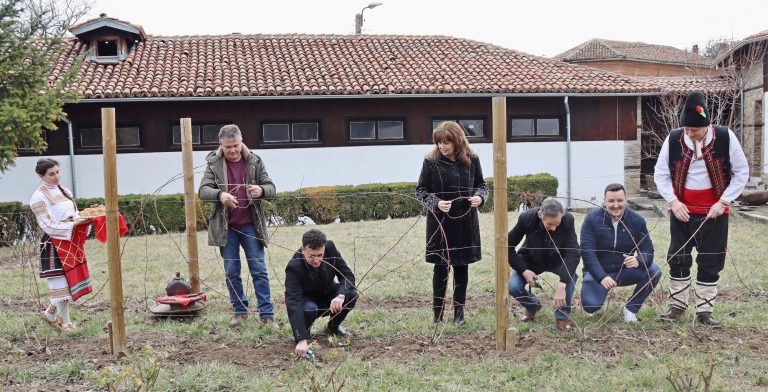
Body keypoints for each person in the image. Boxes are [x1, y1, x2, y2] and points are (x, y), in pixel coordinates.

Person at [654, 92, 748, 328]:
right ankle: (677, 305)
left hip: (714, 212)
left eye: (693, 130)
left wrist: (724, 202)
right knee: (678, 257)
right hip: (682, 211)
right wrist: (674, 202)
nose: (689, 133)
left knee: (711, 260)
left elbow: (741, 173)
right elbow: (661, 175)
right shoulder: (674, 138)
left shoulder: (726, 137)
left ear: (706, 126)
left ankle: (704, 310)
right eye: (686, 129)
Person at [198, 124, 279, 328]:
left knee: (259, 270)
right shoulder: (213, 163)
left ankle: (267, 315)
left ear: (241, 142)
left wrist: (261, 190)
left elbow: (271, 188)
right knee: (232, 271)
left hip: (251, 226)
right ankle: (240, 311)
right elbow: (203, 190)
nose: (232, 151)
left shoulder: (254, 160)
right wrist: (220, 195)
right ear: (221, 145)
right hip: (227, 228)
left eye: (235, 145)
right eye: (228, 147)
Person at [416, 121, 488, 326]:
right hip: (440, 224)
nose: (442, 147)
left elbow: (482, 185)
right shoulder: (430, 162)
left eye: (446, 142)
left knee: (461, 268)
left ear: (457, 141)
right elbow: (421, 191)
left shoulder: (472, 159)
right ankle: (437, 315)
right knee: (440, 269)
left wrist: (479, 197)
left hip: (466, 223)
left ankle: (459, 314)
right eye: (439, 142)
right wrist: (437, 203)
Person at [580, 183, 661, 323]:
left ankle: (630, 309)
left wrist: (639, 260)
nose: (615, 205)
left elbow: (647, 249)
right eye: (611, 201)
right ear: (604, 200)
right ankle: (596, 296)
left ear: (626, 200)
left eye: (620, 200)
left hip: (624, 271)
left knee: (654, 270)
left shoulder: (637, 220)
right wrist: (601, 277)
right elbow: (587, 253)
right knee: (590, 306)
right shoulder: (591, 219)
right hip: (598, 273)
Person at [30, 158, 93, 332]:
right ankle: (64, 323)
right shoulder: (38, 197)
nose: (56, 176)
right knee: (61, 285)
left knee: (68, 281)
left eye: (57, 172)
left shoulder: (64, 190)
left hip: (69, 240)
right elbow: (47, 225)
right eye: (51, 174)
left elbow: (74, 212)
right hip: (54, 242)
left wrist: (82, 221)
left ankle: (50, 314)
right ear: (40, 176)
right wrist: (72, 225)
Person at [507, 198, 580, 331]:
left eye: (557, 224)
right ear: (541, 216)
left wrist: (562, 284)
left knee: (571, 276)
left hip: (557, 260)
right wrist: (524, 270)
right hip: (532, 261)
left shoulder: (568, 219)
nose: (554, 228)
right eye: (550, 224)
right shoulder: (527, 218)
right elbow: (508, 245)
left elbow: (574, 252)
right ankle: (532, 306)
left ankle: (562, 316)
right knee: (513, 286)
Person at [285, 229, 357, 359]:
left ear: (324, 248)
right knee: (309, 309)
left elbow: (347, 276)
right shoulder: (293, 267)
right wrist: (300, 338)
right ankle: (304, 334)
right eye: (312, 256)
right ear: (303, 249)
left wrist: (340, 295)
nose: (317, 260)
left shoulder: (330, 248)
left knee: (351, 295)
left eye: (320, 255)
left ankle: (333, 326)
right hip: (309, 302)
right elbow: (293, 302)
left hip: (329, 294)